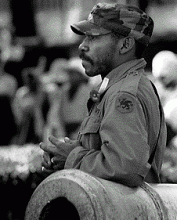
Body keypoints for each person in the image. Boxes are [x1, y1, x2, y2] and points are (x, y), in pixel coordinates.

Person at [40, 3, 167, 187]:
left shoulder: (123, 93)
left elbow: (126, 168)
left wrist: (72, 157)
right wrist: (66, 155)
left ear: (125, 44)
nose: (82, 46)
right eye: (85, 37)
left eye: (93, 37)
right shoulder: (116, 86)